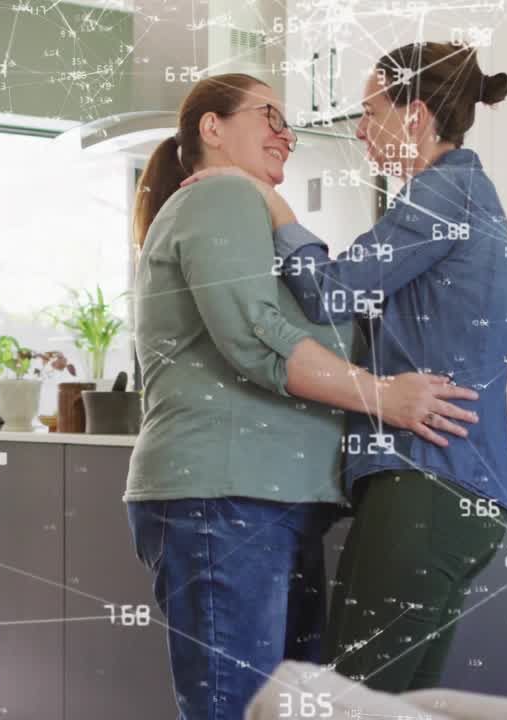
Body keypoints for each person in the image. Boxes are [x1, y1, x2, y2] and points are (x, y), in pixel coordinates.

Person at [125, 72, 481, 720]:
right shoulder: (221, 197)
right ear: (212, 128)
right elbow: (258, 336)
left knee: (283, 709)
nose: (286, 133)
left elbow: (312, 324)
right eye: (269, 115)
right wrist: (383, 397)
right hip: (228, 496)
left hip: (264, 499)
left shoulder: (245, 207)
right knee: (238, 709)